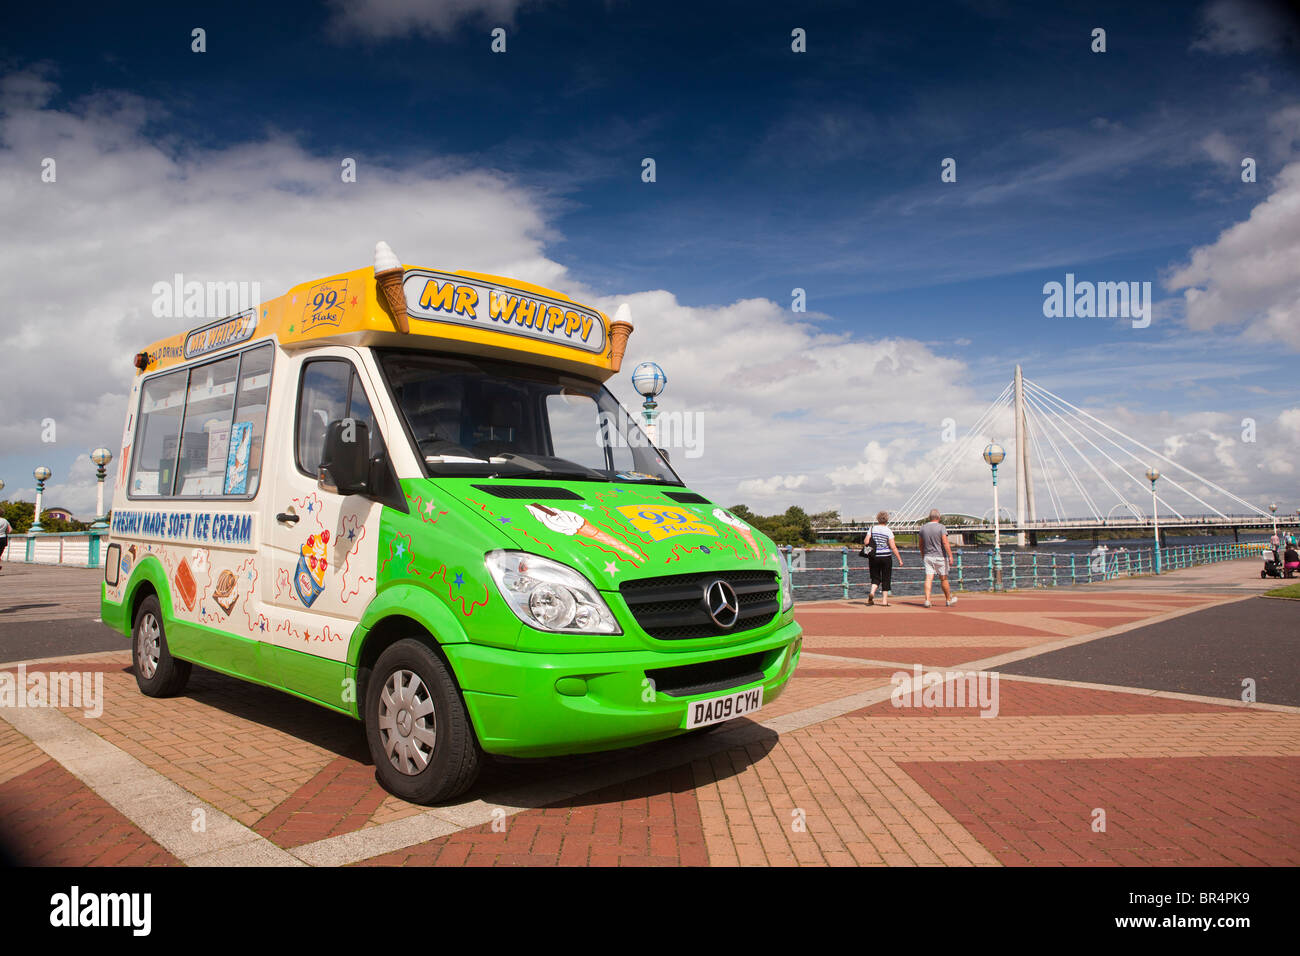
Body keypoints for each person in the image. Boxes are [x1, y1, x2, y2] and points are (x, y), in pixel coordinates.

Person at [919, 508, 958, 608]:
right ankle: (948, 599)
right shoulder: (941, 527)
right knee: (943, 579)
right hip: (940, 557)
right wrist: (950, 555)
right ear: (939, 517)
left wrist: (923, 554)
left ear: (929, 517)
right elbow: (945, 542)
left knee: (928, 578)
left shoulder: (923, 528)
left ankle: (927, 600)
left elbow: (921, 544)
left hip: (928, 556)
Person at [865, 510, 903, 606]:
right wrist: (899, 559)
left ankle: (872, 593)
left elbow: (866, 542)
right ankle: (884, 601)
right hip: (886, 557)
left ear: (878, 519)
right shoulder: (888, 531)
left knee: (875, 577)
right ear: (887, 520)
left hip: (874, 557)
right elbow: (893, 546)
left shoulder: (872, 529)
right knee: (886, 578)